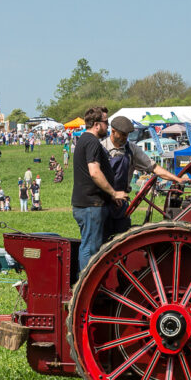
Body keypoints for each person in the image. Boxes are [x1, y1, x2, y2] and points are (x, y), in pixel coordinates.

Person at [101, 115, 189, 239]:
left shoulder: (131, 149)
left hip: (121, 204)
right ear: (113, 131)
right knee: (101, 241)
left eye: (127, 134)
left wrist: (177, 179)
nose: (126, 138)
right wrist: (111, 194)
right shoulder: (101, 148)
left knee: (122, 241)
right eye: (123, 134)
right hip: (103, 202)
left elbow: (154, 167)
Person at [72, 106, 127, 271]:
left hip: (90, 204)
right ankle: (84, 289)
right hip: (90, 206)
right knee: (90, 249)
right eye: (106, 122)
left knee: (91, 246)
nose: (108, 126)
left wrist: (109, 197)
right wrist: (114, 193)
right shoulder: (92, 142)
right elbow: (94, 172)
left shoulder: (84, 140)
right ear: (96, 124)